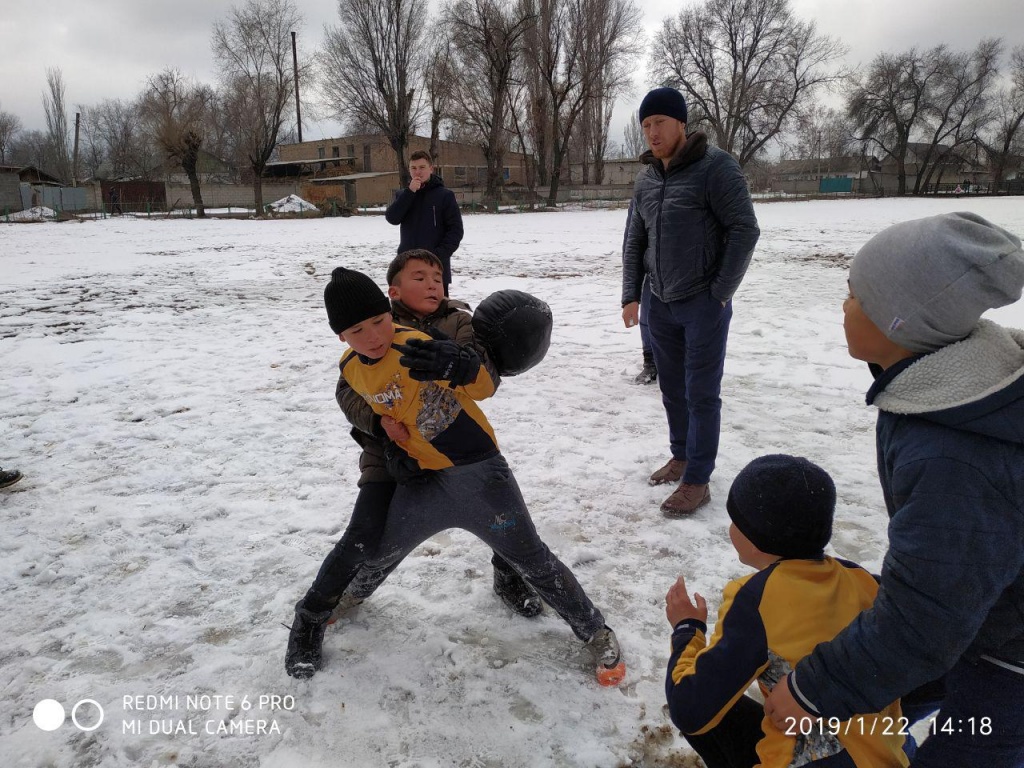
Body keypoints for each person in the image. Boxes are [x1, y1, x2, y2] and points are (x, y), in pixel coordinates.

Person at [763, 212, 1024, 768]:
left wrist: (815, 690)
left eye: (855, 295)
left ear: (899, 322)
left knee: (970, 749)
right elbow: (951, 565)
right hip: (993, 616)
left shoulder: (954, 454)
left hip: (1010, 666)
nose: (843, 305)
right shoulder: (946, 391)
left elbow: (930, 614)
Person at [286, 266, 624, 685]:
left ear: (389, 312)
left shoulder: (419, 345)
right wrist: (391, 447)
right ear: (341, 336)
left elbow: (482, 387)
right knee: (380, 552)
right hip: (424, 484)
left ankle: (595, 631)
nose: (374, 335)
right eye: (358, 329)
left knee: (532, 559)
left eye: (379, 320)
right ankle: (350, 598)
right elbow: (380, 412)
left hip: (481, 477)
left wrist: (460, 365)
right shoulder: (352, 368)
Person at [665, 454, 909, 768]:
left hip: (812, 760)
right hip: (881, 754)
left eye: (735, 520)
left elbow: (690, 709)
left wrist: (687, 628)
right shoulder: (861, 580)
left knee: (704, 706)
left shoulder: (756, 600)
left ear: (755, 540)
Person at [621, 87, 760, 516]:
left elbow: (744, 229)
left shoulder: (715, 167)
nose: (652, 132)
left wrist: (719, 294)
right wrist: (631, 294)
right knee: (671, 388)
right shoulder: (646, 179)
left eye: (659, 122)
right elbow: (635, 239)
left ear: (681, 122)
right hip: (659, 301)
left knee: (701, 393)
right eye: (645, 125)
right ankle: (681, 456)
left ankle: (698, 480)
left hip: (703, 302)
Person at [385, 150, 464, 296]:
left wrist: (437, 256)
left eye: (422, 167)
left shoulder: (445, 196)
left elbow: (455, 231)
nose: (417, 172)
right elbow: (392, 218)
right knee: (407, 312)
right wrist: (410, 193)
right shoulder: (403, 195)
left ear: (431, 169)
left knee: (437, 313)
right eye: (413, 168)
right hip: (407, 265)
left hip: (435, 267)